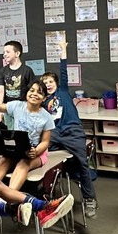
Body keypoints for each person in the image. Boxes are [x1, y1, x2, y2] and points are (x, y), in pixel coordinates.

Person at [42, 36, 98, 217]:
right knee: (41, 156)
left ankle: (89, 199)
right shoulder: (44, 102)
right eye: (45, 83)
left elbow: (63, 71)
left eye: (50, 81)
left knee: (82, 162)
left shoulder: (63, 91)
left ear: (57, 83)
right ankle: (42, 198)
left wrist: (63, 50)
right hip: (55, 134)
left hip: (72, 131)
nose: (48, 85)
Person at [0, 80, 55, 192]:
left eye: (39, 92)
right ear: (27, 93)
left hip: (36, 152)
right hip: (17, 149)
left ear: (44, 98)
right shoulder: (17, 106)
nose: (34, 94)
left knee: (24, 163)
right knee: (3, 161)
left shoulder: (47, 117)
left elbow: (45, 142)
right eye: (31, 90)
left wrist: (36, 151)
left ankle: (8, 198)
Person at [0, 40, 36, 117]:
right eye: (4, 52)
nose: (4, 55)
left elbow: (33, 90)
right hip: (7, 108)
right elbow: (0, 91)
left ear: (17, 53)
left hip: (23, 108)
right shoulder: (3, 71)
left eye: (7, 52)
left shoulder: (27, 70)